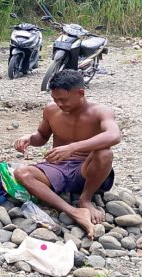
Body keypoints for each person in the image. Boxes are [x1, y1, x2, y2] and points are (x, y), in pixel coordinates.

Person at [13, 69, 120, 240]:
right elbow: (42, 136)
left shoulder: (100, 111)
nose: (59, 104)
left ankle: (85, 199)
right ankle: (73, 211)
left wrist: (73, 147)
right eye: (55, 99)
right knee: (21, 172)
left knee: (104, 152)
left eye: (63, 99)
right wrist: (29, 138)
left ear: (80, 93)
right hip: (57, 167)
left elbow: (114, 135)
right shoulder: (51, 110)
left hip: (87, 169)